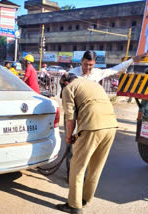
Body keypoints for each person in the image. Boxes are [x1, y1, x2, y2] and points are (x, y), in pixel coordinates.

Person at [61, 50, 142, 179]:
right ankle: (70, 175)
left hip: (88, 117)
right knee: (71, 144)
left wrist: (132, 60)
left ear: (94, 64)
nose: (88, 68)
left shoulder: (97, 73)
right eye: (86, 64)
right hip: (74, 114)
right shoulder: (71, 74)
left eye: (91, 65)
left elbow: (115, 69)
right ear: (81, 61)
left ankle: (80, 175)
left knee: (85, 147)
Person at [56, 73, 118, 214]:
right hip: (111, 126)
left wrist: (68, 136)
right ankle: (84, 199)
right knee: (96, 167)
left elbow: (70, 118)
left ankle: (74, 206)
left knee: (77, 167)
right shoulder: (94, 84)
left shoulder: (68, 88)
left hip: (92, 127)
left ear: (65, 83)